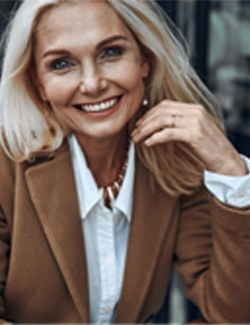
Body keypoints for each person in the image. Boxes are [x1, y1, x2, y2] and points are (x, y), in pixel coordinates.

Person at [0, 0, 250, 323]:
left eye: (111, 53)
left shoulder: (172, 159)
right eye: (62, 64)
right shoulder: (7, 164)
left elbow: (234, 314)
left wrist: (232, 173)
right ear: (39, 84)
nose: (92, 84)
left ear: (145, 59)